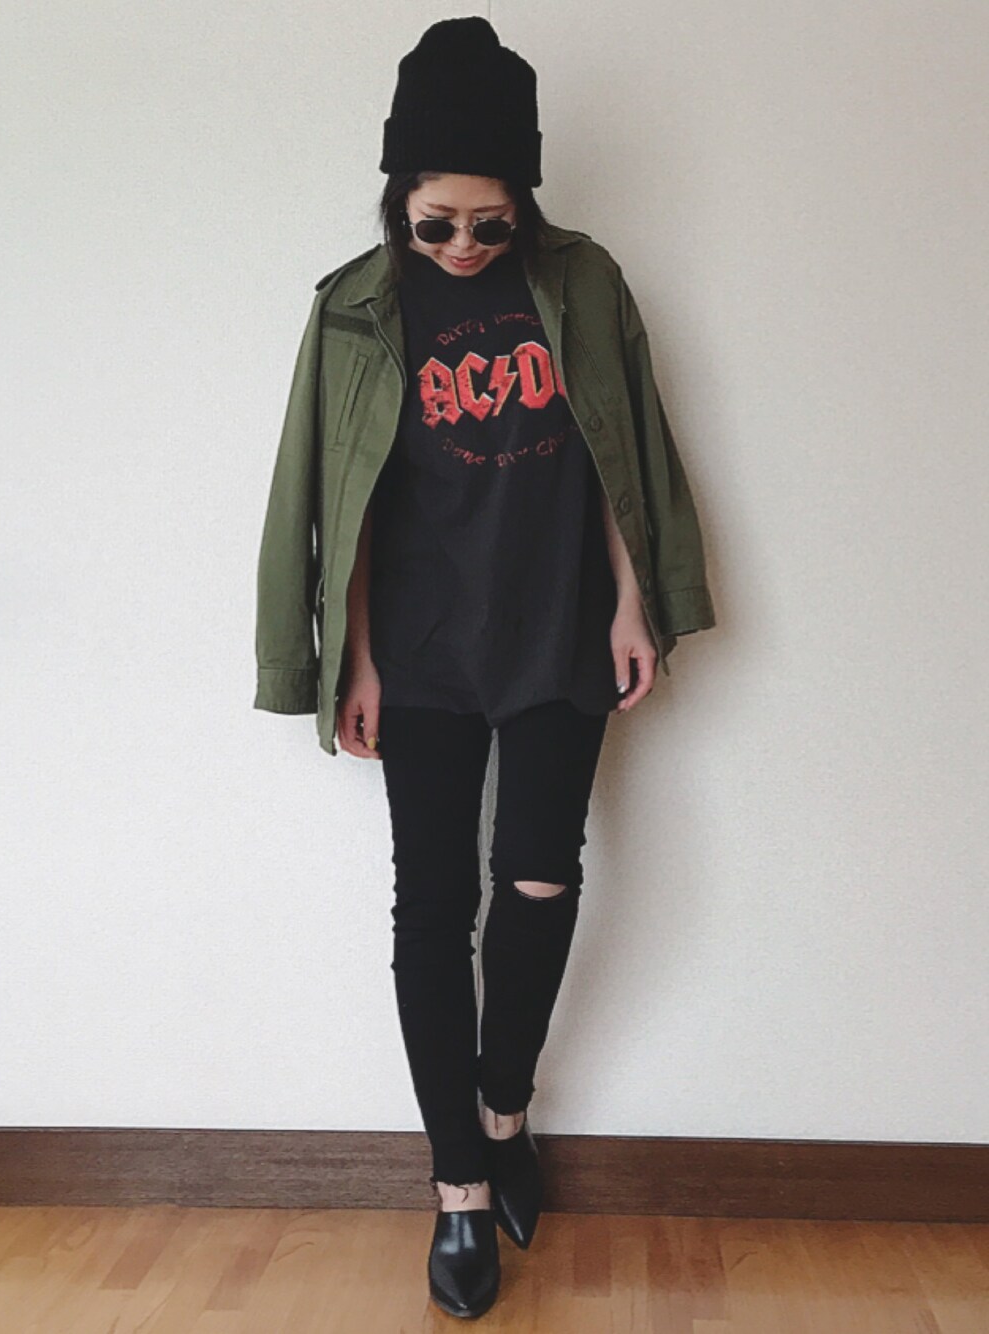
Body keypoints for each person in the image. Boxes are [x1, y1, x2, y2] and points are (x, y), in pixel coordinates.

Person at [254, 15, 715, 1321]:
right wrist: (348, 655)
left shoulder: (584, 283)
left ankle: (505, 1108)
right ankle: (457, 1182)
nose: (462, 245)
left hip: (560, 624)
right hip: (419, 647)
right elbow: (336, 499)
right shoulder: (355, 307)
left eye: (489, 223)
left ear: (528, 200)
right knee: (432, 904)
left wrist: (636, 605)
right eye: (436, 222)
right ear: (397, 196)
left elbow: (621, 451)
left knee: (541, 873)